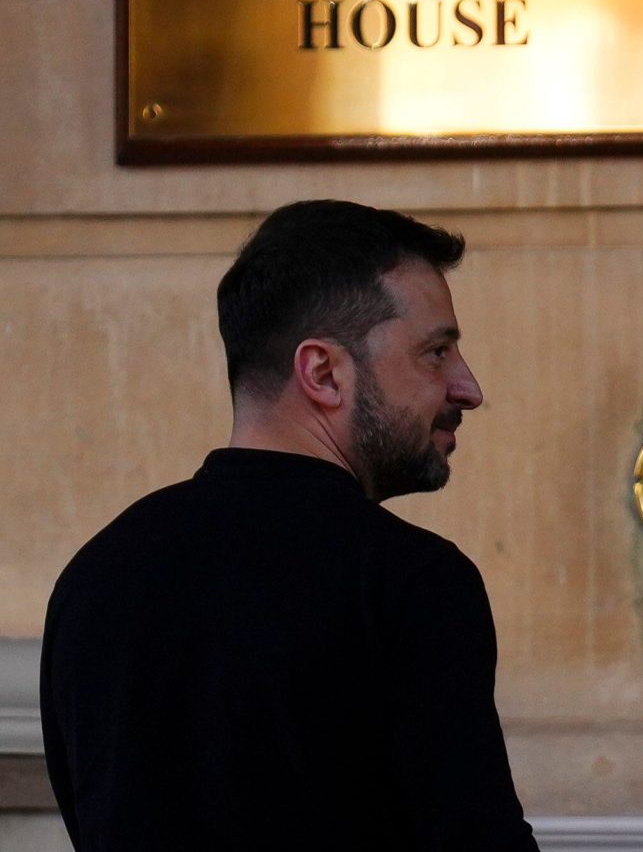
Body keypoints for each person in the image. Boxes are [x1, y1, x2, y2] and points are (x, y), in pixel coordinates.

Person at [40, 200, 538, 851]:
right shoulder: (409, 581)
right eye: (436, 352)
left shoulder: (93, 578)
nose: (468, 387)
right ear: (324, 372)